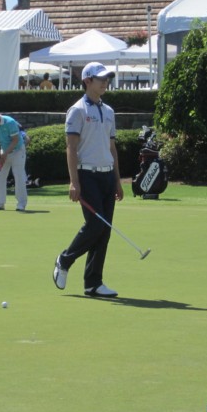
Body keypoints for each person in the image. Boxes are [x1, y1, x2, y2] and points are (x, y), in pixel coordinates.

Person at [53, 62, 123, 298]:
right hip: (86, 175)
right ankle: (64, 260)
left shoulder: (109, 111)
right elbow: (71, 148)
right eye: (100, 78)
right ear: (87, 81)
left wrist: (117, 180)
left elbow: (112, 148)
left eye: (107, 79)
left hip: (106, 176)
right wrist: (74, 182)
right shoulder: (77, 110)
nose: (105, 82)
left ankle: (93, 283)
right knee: (96, 225)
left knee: (105, 231)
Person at [0, 109, 27, 212]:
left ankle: (21, 204)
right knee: (0, 176)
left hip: (18, 150)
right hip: (4, 150)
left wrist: (5, 154)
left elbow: (15, 140)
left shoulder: (10, 122)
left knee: (19, 176)